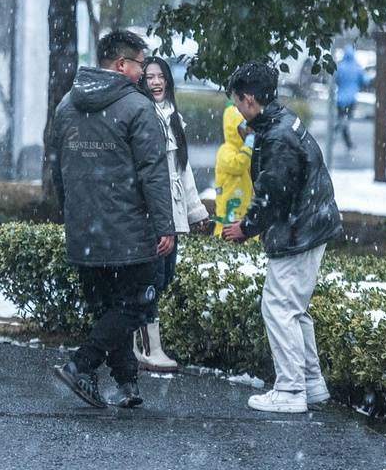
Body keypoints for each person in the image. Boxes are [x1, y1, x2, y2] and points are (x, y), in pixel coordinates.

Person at [50, 30, 174, 409]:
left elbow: (60, 171)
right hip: (129, 230)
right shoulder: (138, 109)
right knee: (137, 304)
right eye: (139, 64)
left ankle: (126, 383)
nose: (143, 72)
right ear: (122, 65)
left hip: (84, 229)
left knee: (110, 307)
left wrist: (70, 213)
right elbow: (153, 172)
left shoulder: (66, 105)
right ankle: (80, 365)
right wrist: (165, 225)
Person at [221, 61, 342, 414]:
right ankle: (311, 383)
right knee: (294, 308)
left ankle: (290, 390)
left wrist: (245, 228)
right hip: (310, 225)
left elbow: (272, 194)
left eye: (236, 102)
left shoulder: (278, 137)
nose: (235, 109)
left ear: (247, 99)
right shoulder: (282, 122)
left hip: (297, 232)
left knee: (278, 308)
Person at [135, 56, 209, 372]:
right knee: (151, 279)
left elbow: (184, 171)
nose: (155, 82)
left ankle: (137, 342)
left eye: (160, 76)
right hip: (154, 214)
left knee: (164, 278)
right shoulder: (141, 117)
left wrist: (196, 212)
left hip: (174, 213)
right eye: (149, 76)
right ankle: (148, 349)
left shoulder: (174, 118)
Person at [214, 104, 254, 226]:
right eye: (243, 126)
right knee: (228, 237)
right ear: (233, 128)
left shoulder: (248, 151)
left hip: (245, 209)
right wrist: (248, 147)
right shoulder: (225, 151)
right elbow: (238, 165)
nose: (247, 131)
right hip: (228, 213)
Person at [333, 46, 368, 150]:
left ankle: (337, 133)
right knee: (346, 121)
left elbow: (335, 79)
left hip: (340, 99)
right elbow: (365, 80)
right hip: (351, 100)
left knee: (342, 120)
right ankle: (346, 142)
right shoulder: (357, 68)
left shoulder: (340, 67)